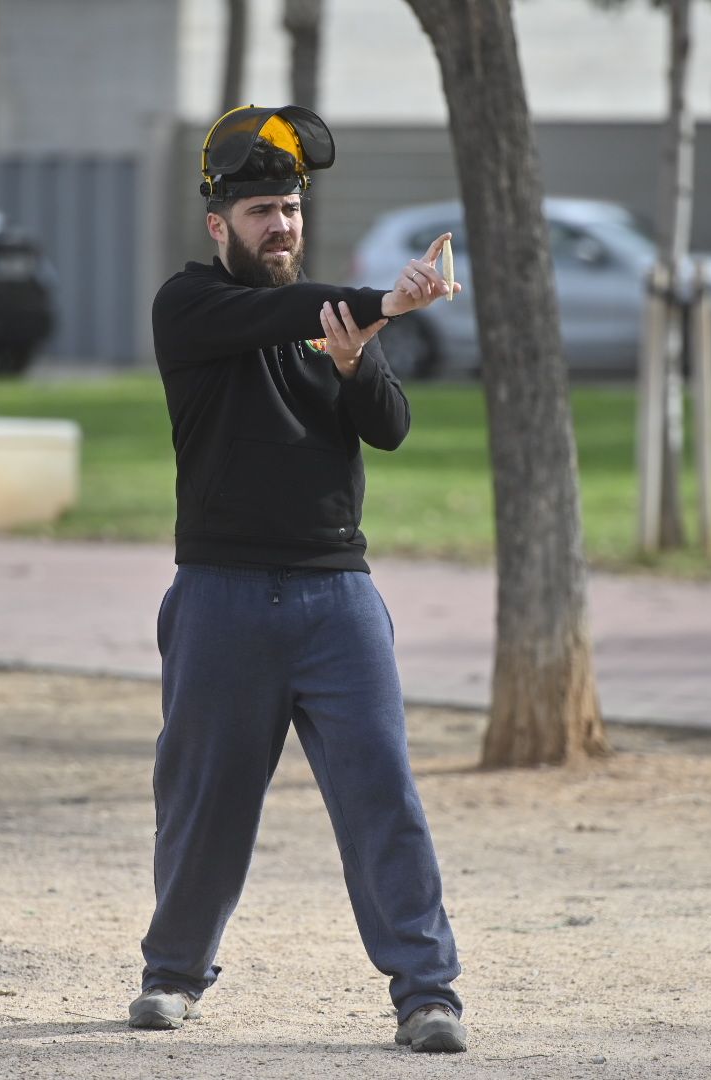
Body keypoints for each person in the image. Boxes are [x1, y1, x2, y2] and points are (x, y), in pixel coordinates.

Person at [128, 105, 468, 1054]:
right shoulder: (190, 306)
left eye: (290, 208)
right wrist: (384, 302)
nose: (280, 226)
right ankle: (172, 976)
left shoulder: (330, 319)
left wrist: (360, 362)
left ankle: (427, 993)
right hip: (221, 595)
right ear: (218, 227)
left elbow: (390, 427)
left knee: (382, 794)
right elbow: (276, 313)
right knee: (202, 798)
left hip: (337, 599)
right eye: (261, 213)